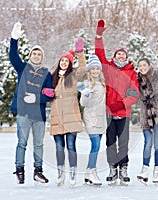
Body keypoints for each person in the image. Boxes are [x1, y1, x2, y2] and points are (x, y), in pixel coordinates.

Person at [94, 19, 140, 185]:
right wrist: (99, 36)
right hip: (108, 113)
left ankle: (124, 168)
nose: (121, 56)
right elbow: (99, 54)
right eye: (119, 54)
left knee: (124, 142)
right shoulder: (108, 67)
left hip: (123, 113)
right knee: (110, 142)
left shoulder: (131, 73)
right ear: (114, 56)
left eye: (124, 54)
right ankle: (113, 168)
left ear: (127, 57)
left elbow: (134, 93)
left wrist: (121, 104)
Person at [9, 22, 55, 184]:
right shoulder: (23, 68)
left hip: (39, 115)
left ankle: (38, 171)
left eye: (39, 54)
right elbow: (13, 56)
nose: (36, 56)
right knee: (21, 143)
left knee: (38, 145)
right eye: (34, 54)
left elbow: (50, 94)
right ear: (30, 56)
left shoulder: (46, 74)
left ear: (42, 57)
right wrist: (14, 39)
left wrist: (36, 98)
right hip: (23, 113)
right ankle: (19, 170)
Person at [50, 37, 86, 186]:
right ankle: (60, 173)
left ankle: (72, 173)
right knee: (59, 147)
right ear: (59, 63)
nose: (64, 63)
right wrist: (46, 93)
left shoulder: (74, 76)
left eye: (67, 61)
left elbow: (83, 68)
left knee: (71, 145)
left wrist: (80, 53)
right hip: (57, 116)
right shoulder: (52, 77)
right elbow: (45, 93)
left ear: (70, 64)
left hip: (71, 115)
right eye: (62, 61)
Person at [136, 40, 158, 184]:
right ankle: (144, 170)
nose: (142, 67)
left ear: (149, 66)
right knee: (147, 143)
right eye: (140, 66)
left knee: (157, 144)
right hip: (146, 115)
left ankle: (156, 171)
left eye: (144, 65)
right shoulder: (136, 80)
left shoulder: (157, 75)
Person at [77, 55, 106, 186]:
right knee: (95, 146)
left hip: (101, 118)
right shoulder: (87, 84)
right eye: (93, 69)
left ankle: (88, 174)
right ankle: (93, 172)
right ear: (89, 71)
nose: (95, 71)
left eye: (97, 69)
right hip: (91, 118)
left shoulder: (103, 84)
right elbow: (83, 103)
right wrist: (85, 94)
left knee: (97, 145)